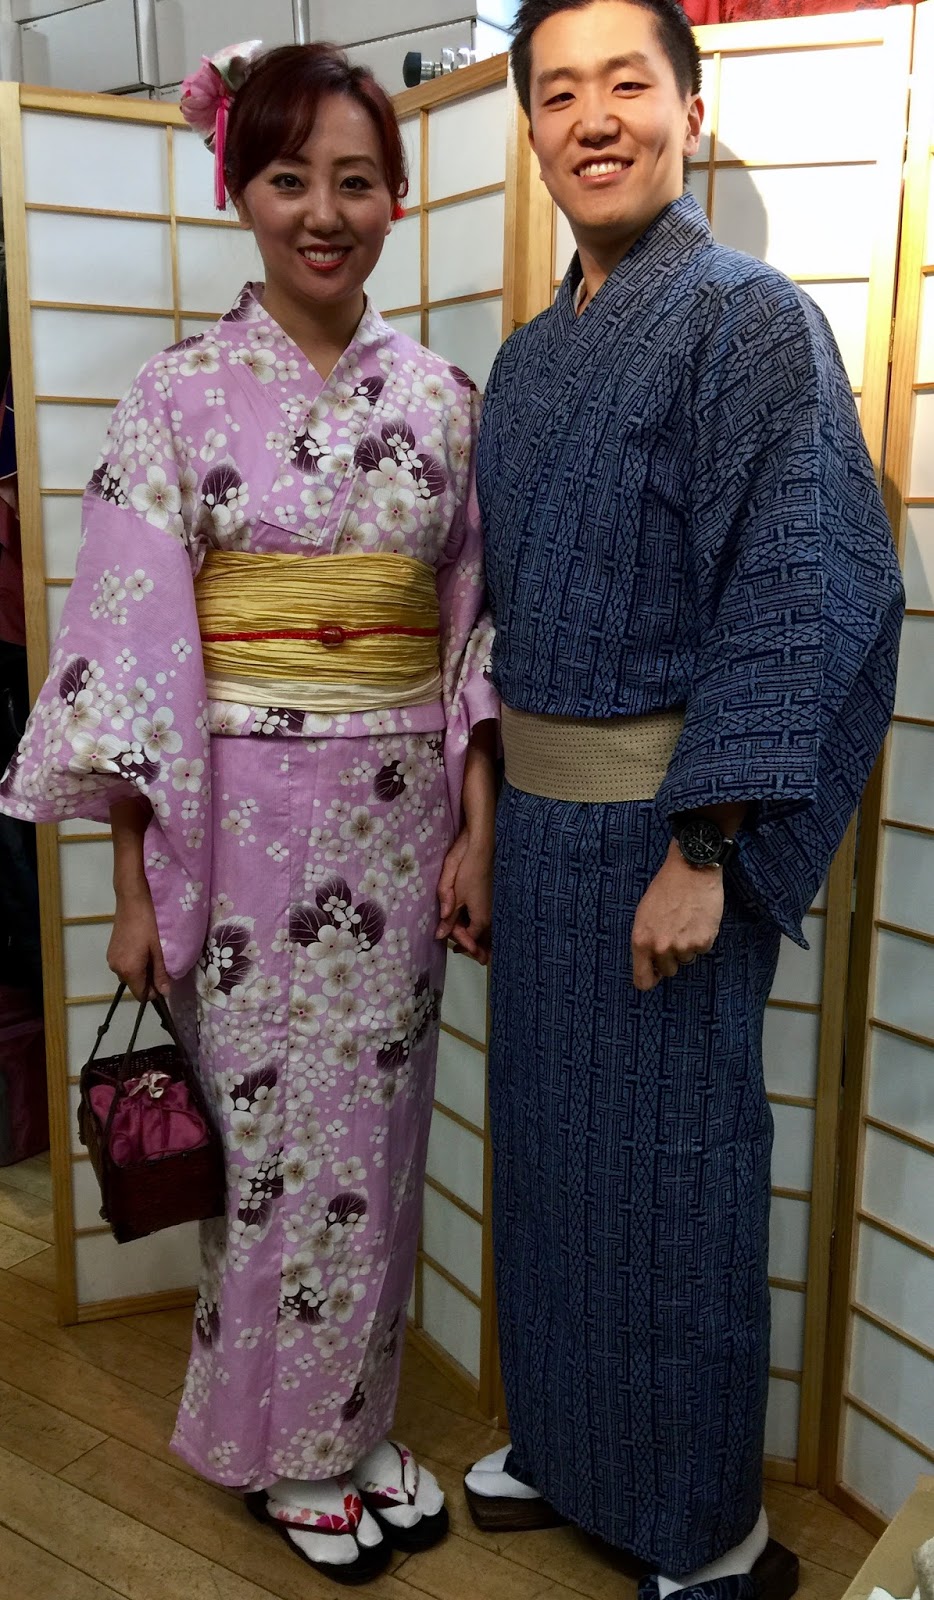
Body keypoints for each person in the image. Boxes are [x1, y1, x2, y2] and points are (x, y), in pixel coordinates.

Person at [0, 40, 498, 1586]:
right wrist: (136, 890)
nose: (323, 210)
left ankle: (346, 1425)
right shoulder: (174, 401)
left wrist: (476, 827)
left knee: (384, 1137)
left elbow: (476, 623)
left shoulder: (442, 400)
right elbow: (131, 658)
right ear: (240, 192)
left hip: (404, 816)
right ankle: (284, 1454)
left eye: (356, 179)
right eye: (289, 179)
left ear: (398, 197)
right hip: (242, 829)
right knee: (276, 1150)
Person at [464, 3, 903, 1598]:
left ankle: (708, 1527)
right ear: (527, 129)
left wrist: (709, 848)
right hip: (543, 832)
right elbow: (495, 626)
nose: (594, 118)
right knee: (553, 1170)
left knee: (674, 1184)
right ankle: (569, 1449)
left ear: (690, 112)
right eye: (558, 92)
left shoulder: (745, 320)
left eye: (627, 85)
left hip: (665, 848)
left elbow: (803, 591)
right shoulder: (524, 360)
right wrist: (476, 820)